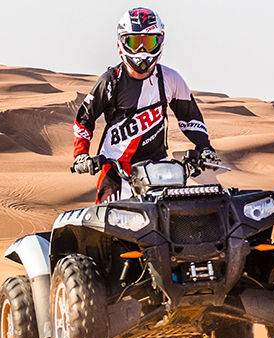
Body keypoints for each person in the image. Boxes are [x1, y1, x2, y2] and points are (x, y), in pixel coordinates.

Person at [72, 7, 221, 203]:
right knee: (110, 225)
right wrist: (81, 154)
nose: (142, 51)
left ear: (160, 41)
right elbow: (84, 119)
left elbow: (189, 117)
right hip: (116, 167)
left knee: (172, 220)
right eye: (135, 42)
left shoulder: (171, 79)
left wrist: (205, 147)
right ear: (123, 42)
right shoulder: (110, 81)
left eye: (149, 42)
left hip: (157, 168)